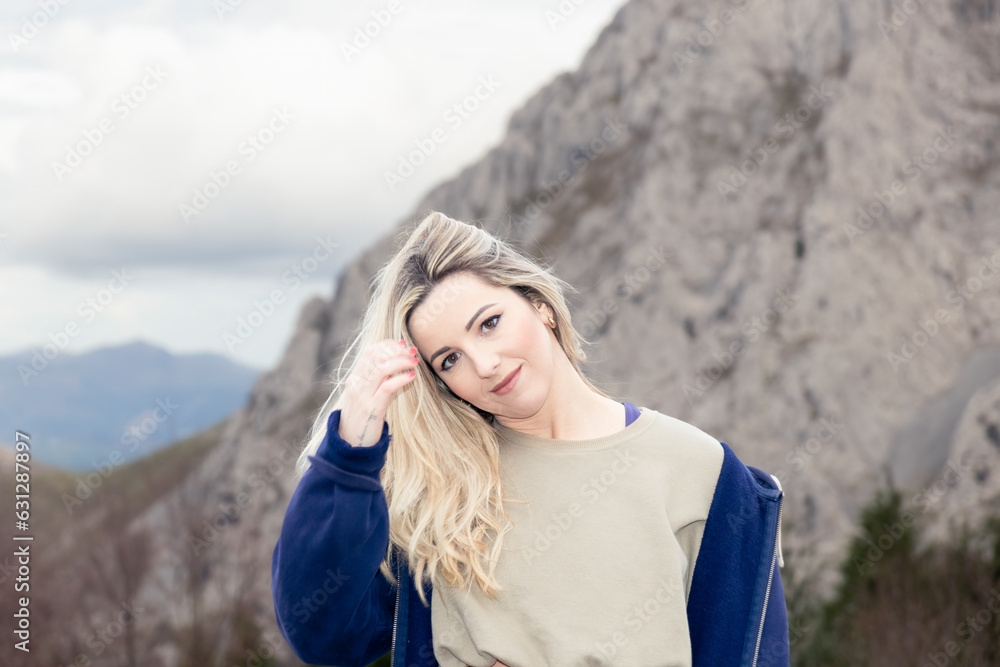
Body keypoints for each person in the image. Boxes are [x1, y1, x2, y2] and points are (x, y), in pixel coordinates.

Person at [271, 211, 789, 667]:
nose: (485, 364)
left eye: (489, 324)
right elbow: (324, 636)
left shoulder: (704, 474)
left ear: (539, 304)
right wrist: (349, 455)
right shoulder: (440, 495)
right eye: (449, 359)